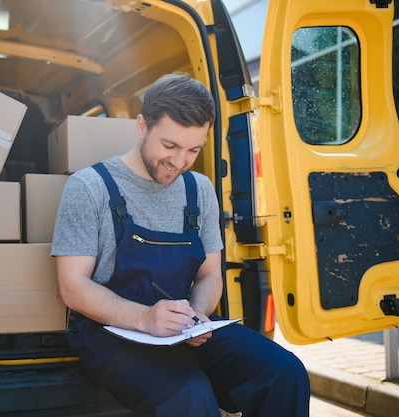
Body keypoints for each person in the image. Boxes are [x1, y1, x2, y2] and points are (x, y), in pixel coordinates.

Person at [51, 73, 310, 417]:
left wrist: (196, 318)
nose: (179, 161)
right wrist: (145, 318)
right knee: (188, 393)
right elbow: (73, 287)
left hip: (180, 327)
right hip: (111, 336)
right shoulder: (89, 187)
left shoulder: (199, 190)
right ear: (142, 126)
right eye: (170, 146)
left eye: (193, 149)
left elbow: (210, 275)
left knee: (285, 373)